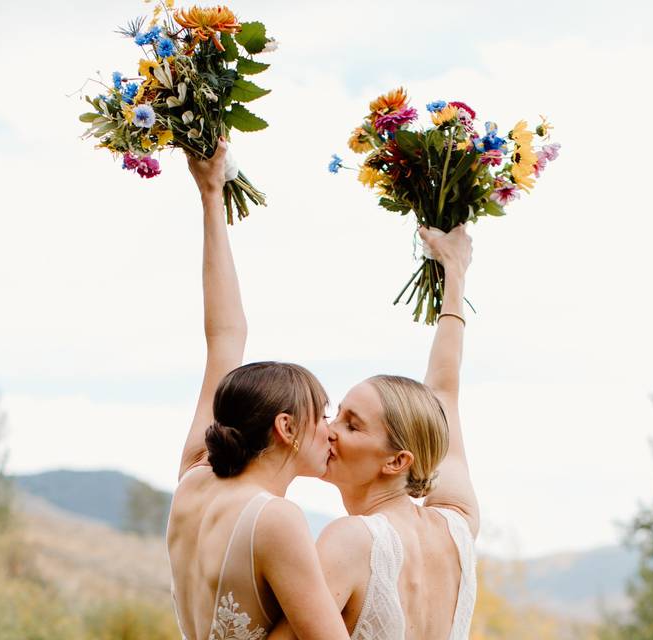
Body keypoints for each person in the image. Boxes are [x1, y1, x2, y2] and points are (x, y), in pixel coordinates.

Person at [166, 141, 351, 640]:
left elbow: (225, 337)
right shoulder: (277, 519)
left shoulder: (194, 479)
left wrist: (210, 194)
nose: (331, 432)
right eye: (324, 415)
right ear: (286, 427)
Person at [269, 224, 479, 639]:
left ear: (398, 460)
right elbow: (444, 393)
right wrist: (455, 273)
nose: (328, 431)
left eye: (351, 425)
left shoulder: (351, 541)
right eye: (336, 415)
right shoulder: (459, 527)